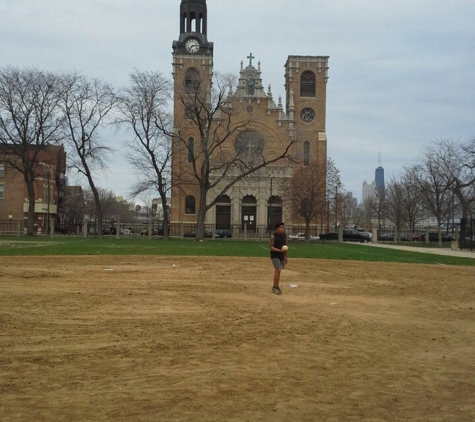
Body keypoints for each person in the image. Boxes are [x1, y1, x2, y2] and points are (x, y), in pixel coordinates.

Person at [269, 222, 288, 295]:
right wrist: (280, 250)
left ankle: (276, 286)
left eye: (283, 227)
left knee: (279, 271)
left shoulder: (284, 236)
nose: (282, 228)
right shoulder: (273, 236)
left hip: (281, 256)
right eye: (281, 227)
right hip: (275, 255)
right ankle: (275, 287)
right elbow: (271, 247)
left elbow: (286, 246)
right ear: (277, 228)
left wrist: (286, 256)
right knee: (278, 270)